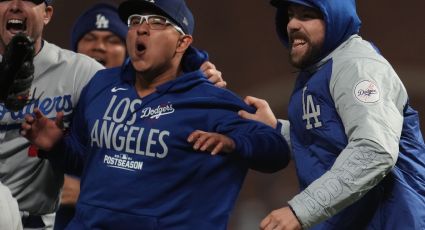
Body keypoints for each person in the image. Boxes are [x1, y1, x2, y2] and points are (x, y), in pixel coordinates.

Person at [21, 0, 290, 229]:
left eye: (157, 22)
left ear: (183, 42)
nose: (142, 28)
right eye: (135, 20)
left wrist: (235, 142)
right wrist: (57, 146)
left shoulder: (209, 100)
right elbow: (90, 162)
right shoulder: (102, 85)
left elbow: (277, 152)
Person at [238, 0, 425, 229]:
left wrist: (300, 210)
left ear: (335, 18)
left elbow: (374, 150)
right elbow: (328, 147)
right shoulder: (319, 72)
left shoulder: (358, 67)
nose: (292, 25)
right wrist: (278, 129)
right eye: (290, 15)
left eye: (306, 15)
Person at [54, 3, 226, 229]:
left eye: (113, 40)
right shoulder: (56, 92)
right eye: (90, 38)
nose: (99, 48)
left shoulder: (154, 99)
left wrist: (195, 68)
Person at [0, 0, 105, 229]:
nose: (16, 5)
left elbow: (136, 92)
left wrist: (192, 72)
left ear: (47, 14)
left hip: (38, 222)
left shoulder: (79, 71)